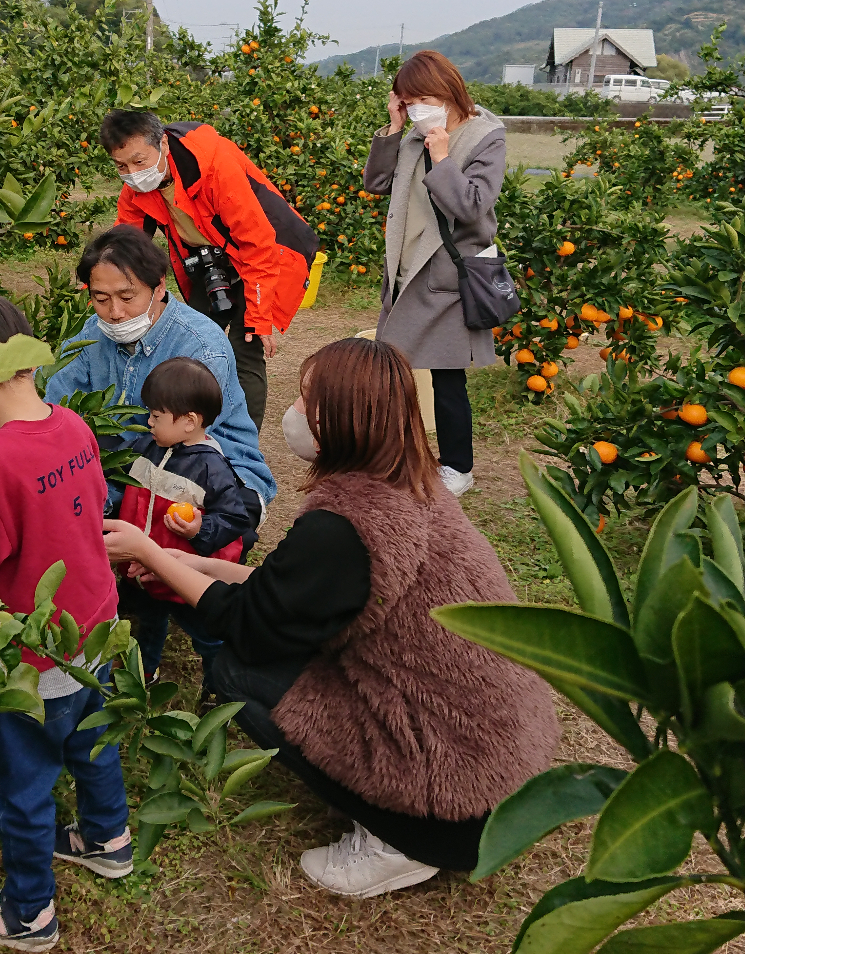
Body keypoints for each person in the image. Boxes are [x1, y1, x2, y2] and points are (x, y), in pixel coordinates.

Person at [102, 338, 560, 899]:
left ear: (342, 420)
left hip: (457, 792)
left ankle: (401, 838)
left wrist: (149, 554)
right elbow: (288, 592)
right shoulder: (409, 484)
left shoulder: (345, 525)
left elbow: (250, 622)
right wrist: (192, 563)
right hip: (507, 754)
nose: (294, 415)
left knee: (235, 672)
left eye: (304, 402)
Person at [0, 290, 133, 951]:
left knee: (22, 783)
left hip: (28, 658)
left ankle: (29, 911)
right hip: (91, 632)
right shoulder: (71, 427)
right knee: (94, 742)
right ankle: (108, 837)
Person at [44, 225, 277, 530]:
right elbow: (55, 407)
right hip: (127, 471)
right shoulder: (90, 334)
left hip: (204, 469)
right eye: (101, 299)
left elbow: (182, 446)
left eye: (127, 297)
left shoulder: (199, 346)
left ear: (158, 287)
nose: (115, 312)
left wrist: (99, 502)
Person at [101, 108, 319, 431]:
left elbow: (257, 243)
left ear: (162, 144)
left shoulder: (214, 165)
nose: (132, 173)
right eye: (122, 166)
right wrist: (98, 279)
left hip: (263, 256)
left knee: (245, 349)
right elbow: (124, 244)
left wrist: (260, 317)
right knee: (194, 341)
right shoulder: (136, 189)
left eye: (139, 161)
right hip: (210, 260)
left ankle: (242, 447)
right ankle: (196, 433)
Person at [363, 49, 508, 498]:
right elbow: (377, 183)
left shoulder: (485, 137)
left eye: (422, 98)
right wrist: (392, 128)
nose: (416, 109)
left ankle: (457, 468)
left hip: (447, 274)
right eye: (407, 101)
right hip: (407, 271)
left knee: (446, 377)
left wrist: (443, 158)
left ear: (447, 91)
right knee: (393, 372)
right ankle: (395, 458)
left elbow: (471, 205)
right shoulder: (411, 135)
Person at [112, 356, 256, 701]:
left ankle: (218, 687)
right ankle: (142, 673)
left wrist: (198, 530)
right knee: (148, 623)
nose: (148, 423)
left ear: (190, 422)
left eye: (156, 417)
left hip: (182, 575)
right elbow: (122, 486)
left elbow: (236, 518)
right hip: (144, 570)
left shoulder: (211, 468)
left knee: (204, 632)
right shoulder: (146, 448)